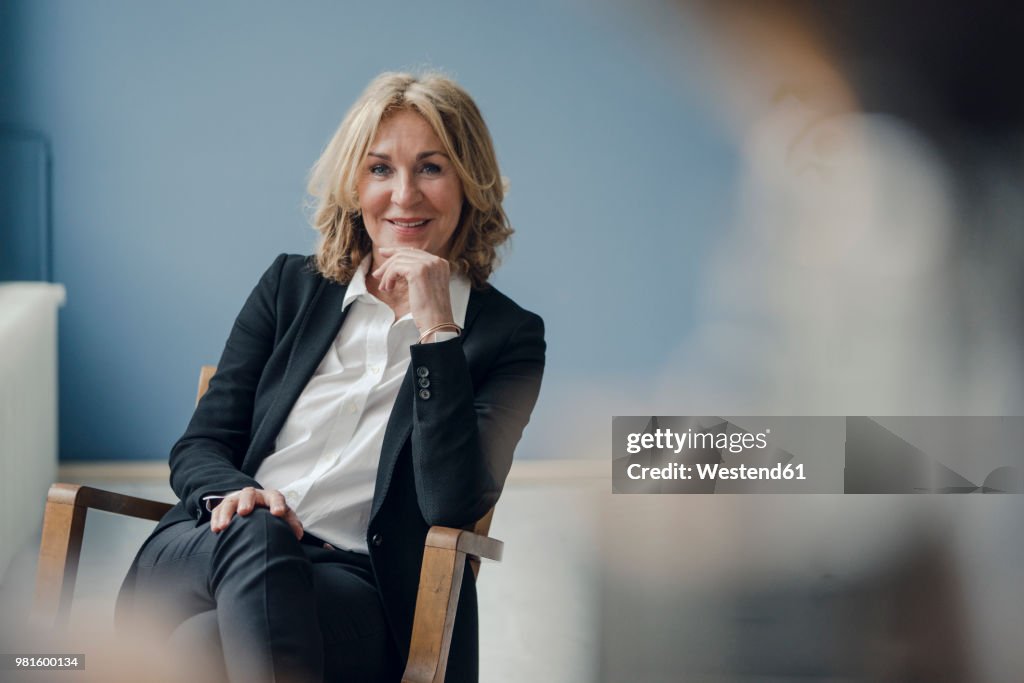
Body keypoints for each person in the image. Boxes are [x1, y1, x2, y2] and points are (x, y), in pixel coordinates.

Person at [115, 71, 546, 683]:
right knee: (257, 534)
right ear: (353, 183)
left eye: (431, 167)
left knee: (204, 644)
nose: (404, 196)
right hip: (209, 542)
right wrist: (235, 496)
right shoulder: (290, 286)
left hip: (351, 584)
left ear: (469, 183)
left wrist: (438, 333)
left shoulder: (506, 336)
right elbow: (201, 444)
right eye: (379, 170)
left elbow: (452, 500)